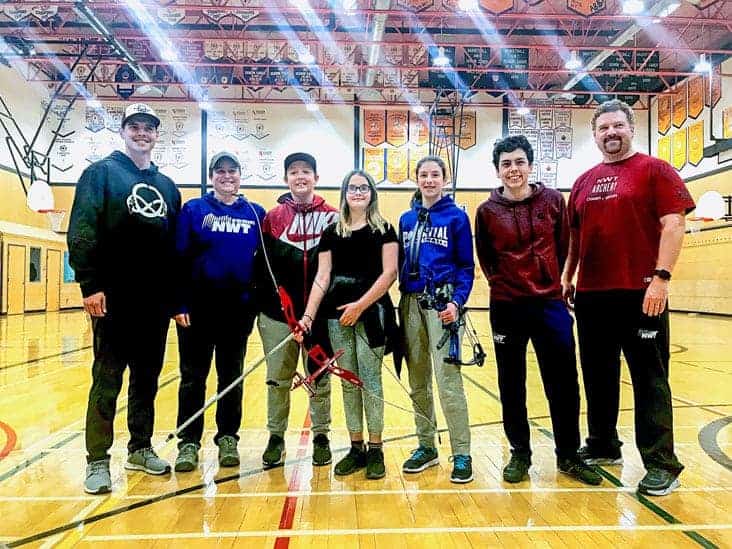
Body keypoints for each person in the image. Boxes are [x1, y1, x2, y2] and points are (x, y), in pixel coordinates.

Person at [562, 99, 694, 496]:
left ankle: (661, 464)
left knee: (650, 380)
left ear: (631, 128)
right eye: (603, 128)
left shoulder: (656, 171)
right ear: (595, 134)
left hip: (641, 293)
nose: (610, 133)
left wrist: (661, 278)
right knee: (598, 377)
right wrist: (568, 276)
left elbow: (674, 224)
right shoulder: (584, 181)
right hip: (592, 296)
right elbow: (575, 237)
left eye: (617, 126)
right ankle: (603, 444)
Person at [474, 135, 602, 486]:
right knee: (511, 385)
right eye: (506, 164)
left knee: (563, 383)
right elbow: (486, 257)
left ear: (530, 165)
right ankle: (520, 454)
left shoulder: (553, 201)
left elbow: (564, 246)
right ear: (498, 170)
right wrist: (502, 285)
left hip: (549, 305)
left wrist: (555, 281)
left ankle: (568, 455)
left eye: (518, 162)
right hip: (507, 307)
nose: (513, 170)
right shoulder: (486, 212)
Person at [68, 103, 181, 494]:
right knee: (107, 380)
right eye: (134, 126)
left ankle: (140, 447)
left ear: (156, 134)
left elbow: (173, 250)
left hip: (153, 306)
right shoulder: (100, 174)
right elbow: (81, 231)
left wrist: (173, 298)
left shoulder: (167, 188)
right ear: (123, 130)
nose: (142, 133)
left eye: (148, 127)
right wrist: (90, 285)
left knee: (146, 381)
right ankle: (97, 460)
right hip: (112, 301)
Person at [296, 170, 398, 479]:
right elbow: (323, 277)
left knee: (371, 381)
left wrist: (360, 306)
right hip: (335, 317)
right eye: (352, 187)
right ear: (344, 192)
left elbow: (389, 273)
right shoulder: (332, 232)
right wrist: (308, 316)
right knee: (349, 381)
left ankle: (376, 448)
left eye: (363, 187)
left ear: (371, 193)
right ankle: (356, 448)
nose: (357, 192)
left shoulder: (385, 229)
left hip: (372, 315)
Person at [173, 152, 265, 472]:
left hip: (237, 311)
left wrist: (256, 304)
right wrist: (179, 303)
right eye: (220, 171)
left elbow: (263, 264)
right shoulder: (194, 210)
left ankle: (228, 437)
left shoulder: (255, 213)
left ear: (241, 175)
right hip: (197, 310)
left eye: (233, 170)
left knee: (231, 378)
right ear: (212, 176)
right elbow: (179, 259)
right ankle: (188, 442)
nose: (227, 176)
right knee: (193, 378)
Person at [257, 152, 338, 468]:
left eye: (306, 171)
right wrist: (278, 309)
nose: (300, 176)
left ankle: (321, 436)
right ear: (286, 178)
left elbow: (337, 269)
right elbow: (263, 271)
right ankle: (275, 437)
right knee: (277, 379)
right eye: (293, 172)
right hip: (279, 316)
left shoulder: (333, 217)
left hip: (319, 316)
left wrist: (316, 312)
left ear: (316, 178)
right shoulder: (272, 218)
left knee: (319, 376)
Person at [398, 155, 475, 484]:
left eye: (435, 175)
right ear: (416, 179)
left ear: (445, 179)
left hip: (443, 306)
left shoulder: (457, 218)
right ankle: (426, 445)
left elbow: (466, 268)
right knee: (418, 381)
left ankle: (461, 452)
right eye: (423, 175)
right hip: (410, 303)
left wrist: (457, 302)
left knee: (448, 382)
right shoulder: (406, 219)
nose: (429, 180)